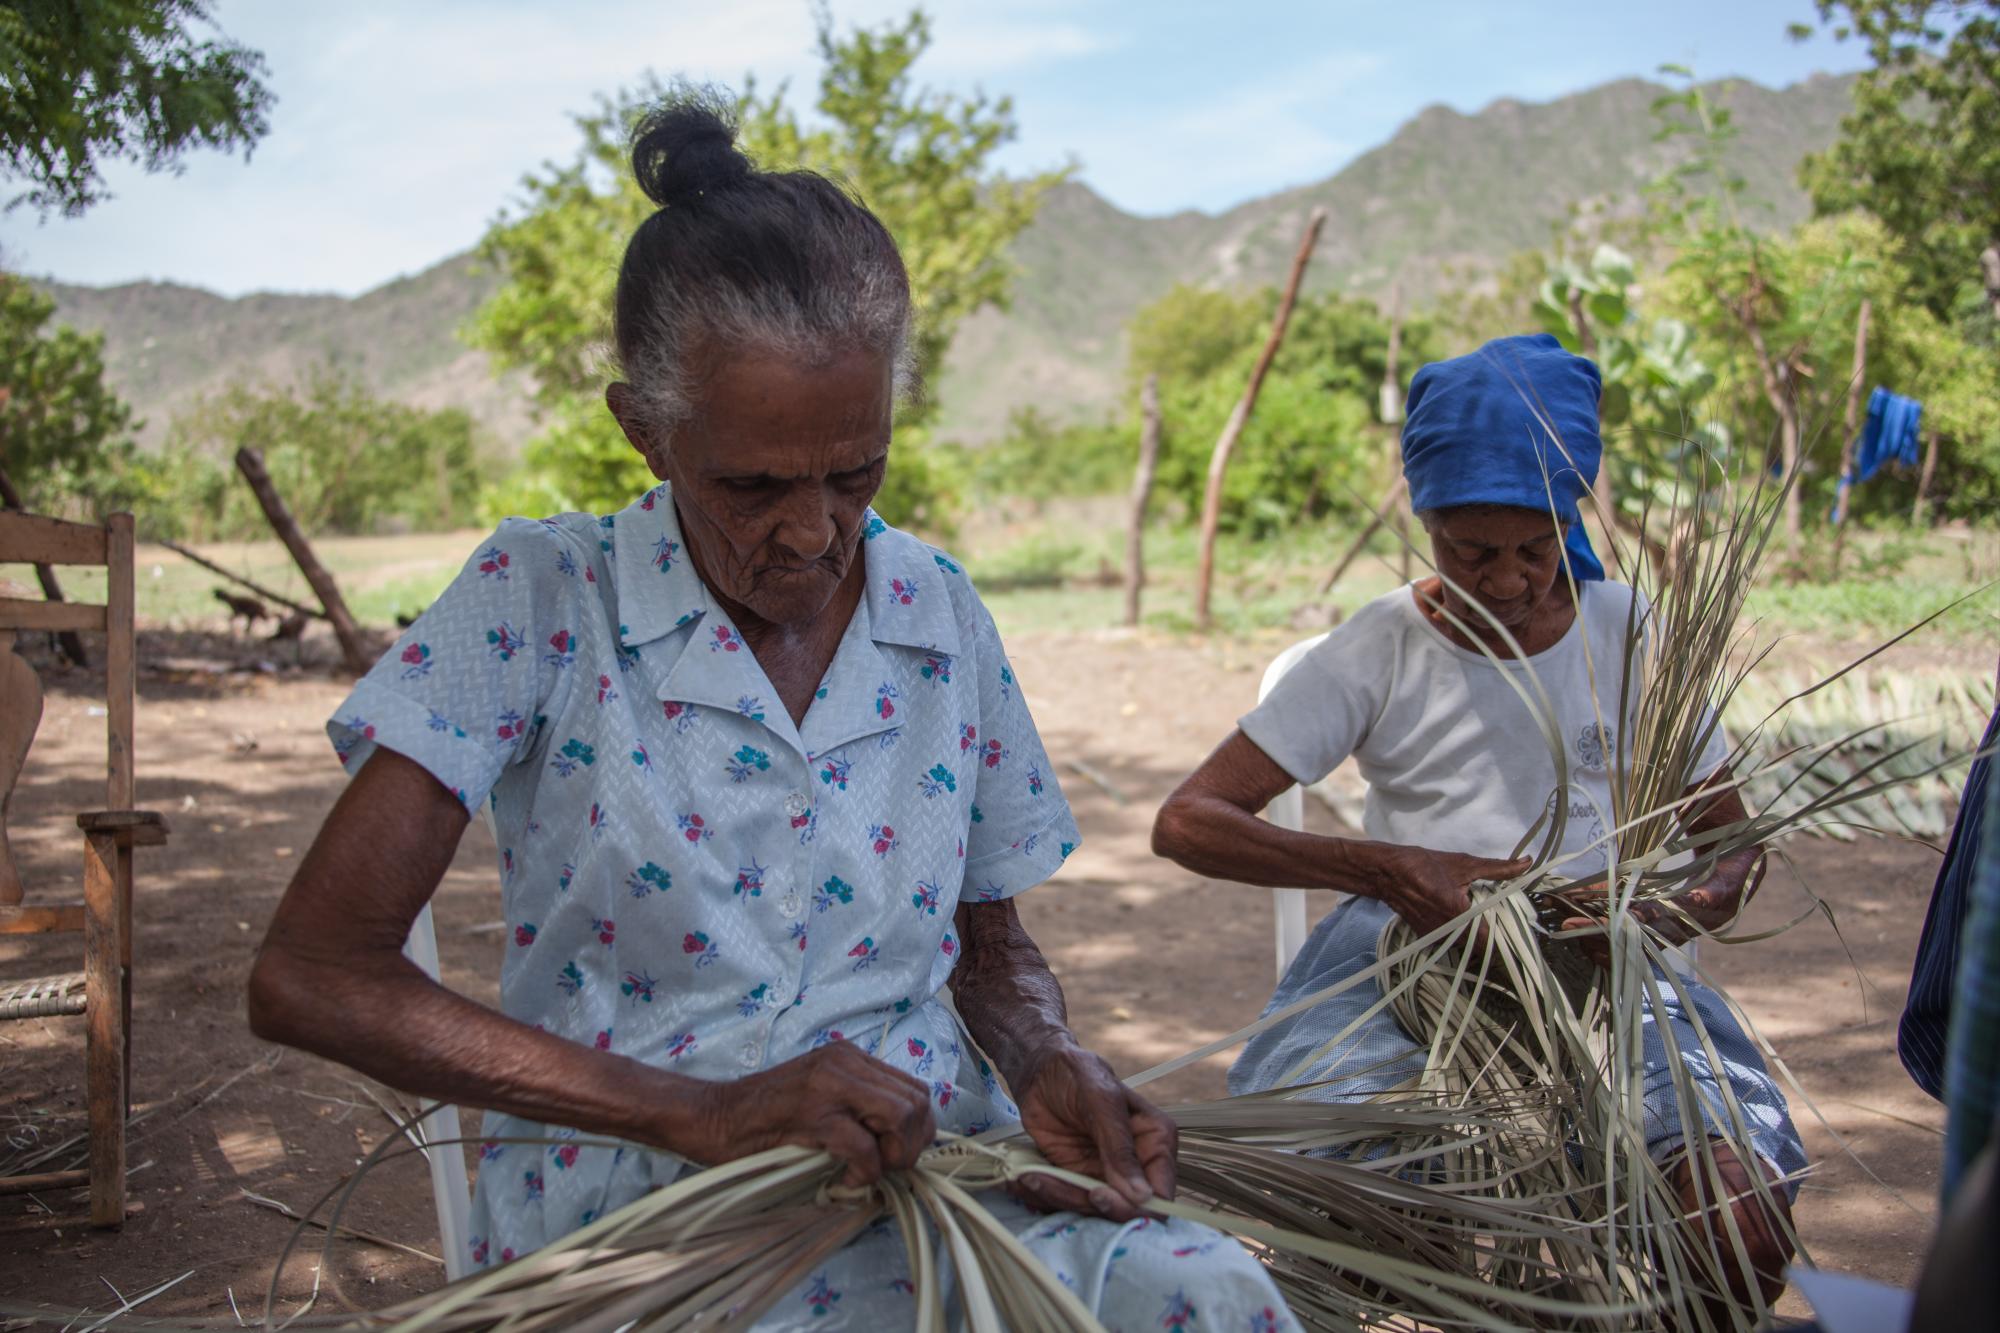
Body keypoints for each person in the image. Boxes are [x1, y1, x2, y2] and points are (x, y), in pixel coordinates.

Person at [248, 94, 1291, 1329]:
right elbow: (312, 975)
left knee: (1210, 1292)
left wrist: (1043, 1055)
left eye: (856, 473)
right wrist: (701, 1112)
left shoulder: (934, 610)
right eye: (751, 483)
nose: (812, 533)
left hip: (928, 1173)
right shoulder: (545, 597)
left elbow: (993, 946)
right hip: (644, 1211)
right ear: (645, 431)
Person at [1151, 334, 1805, 1310]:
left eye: (1535, 549)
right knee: (1349, 1205)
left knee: (1732, 1224)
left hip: (1604, 962)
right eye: (1471, 553)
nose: (1506, 582)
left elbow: (1728, 840)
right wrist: (1387, 869)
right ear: (1423, 523)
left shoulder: (1625, 632)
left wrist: (1680, 908)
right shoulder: (1377, 647)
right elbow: (1187, 821)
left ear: (1570, 516)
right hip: (1403, 953)